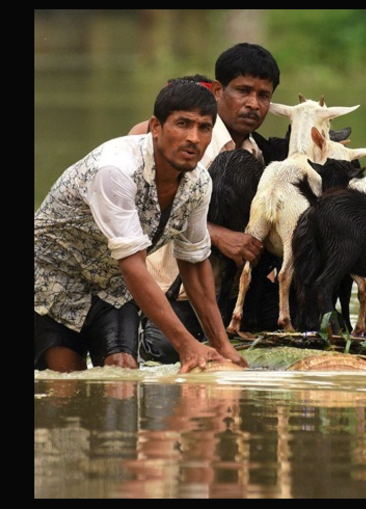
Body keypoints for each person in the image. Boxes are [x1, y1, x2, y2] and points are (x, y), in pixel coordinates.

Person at [34, 79, 247, 373]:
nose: (194, 138)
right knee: (67, 387)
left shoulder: (198, 182)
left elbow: (194, 264)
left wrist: (222, 346)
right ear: (156, 127)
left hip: (111, 286)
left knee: (123, 373)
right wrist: (187, 345)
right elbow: (133, 266)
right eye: (182, 124)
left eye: (204, 127)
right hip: (53, 281)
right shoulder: (115, 170)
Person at [134, 43, 284, 363]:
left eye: (264, 95)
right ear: (217, 91)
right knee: (161, 353)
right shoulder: (186, 143)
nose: (253, 104)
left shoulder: (260, 155)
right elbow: (149, 207)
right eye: (243, 91)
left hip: (229, 294)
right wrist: (219, 235)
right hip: (174, 289)